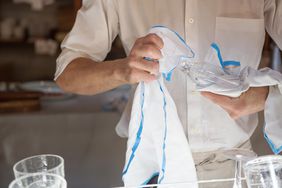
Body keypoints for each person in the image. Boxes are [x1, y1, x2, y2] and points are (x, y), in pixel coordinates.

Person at [55, 0, 282, 187]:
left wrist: (269, 94)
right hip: (154, 169)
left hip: (232, 169)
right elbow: (68, 73)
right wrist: (121, 69)